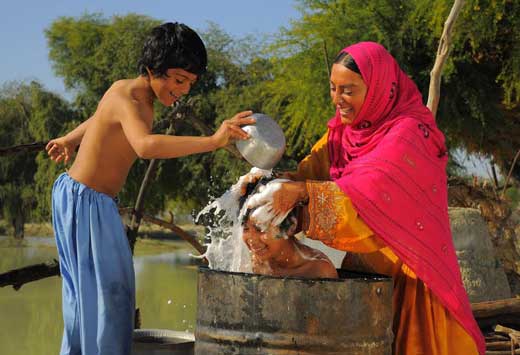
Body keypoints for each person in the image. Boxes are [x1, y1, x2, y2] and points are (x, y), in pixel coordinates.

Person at [247, 42, 485, 354]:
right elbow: (309, 174)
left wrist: (302, 194)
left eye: (348, 90)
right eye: (333, 88)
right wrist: (271, 183)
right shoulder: (342, 134)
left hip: (413, 278)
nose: (337, 100)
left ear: (379, 89)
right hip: (367, 277)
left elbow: (367, 197)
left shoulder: (409, 133)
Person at [46, 22, 254, 355]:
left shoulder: (128, 93)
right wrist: (213, 141)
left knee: (87, 297)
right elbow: (144, 145)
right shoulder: (133, 98)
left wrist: (71, 139)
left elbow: (102, 116)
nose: (183, 90)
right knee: (111, 298)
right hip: (87, 203)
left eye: (189, 83)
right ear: (152, 68)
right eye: (178, 79)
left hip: (79, 198)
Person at [241, 185, 338, 279]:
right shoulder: (253, 261)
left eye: (260, 229)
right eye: (245, 229)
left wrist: (272, 274)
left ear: (291, 226)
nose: (252, 239)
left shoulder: (318, 270)